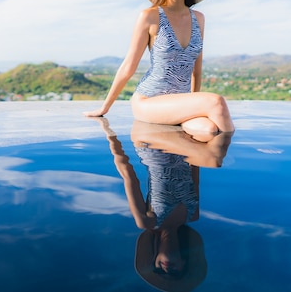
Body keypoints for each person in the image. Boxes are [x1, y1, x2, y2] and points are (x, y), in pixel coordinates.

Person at [84, 0, 235, 138]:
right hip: (149, 101)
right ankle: (245, 159)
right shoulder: (150, 16)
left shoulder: (199, 18)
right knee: (216, 102)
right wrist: (104, 107)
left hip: (179, 103)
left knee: (210, 130)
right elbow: (129, 65)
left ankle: (200, 163)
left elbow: (196, 67)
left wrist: (192, 103)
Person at [91, 117, 232, 291]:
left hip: (153, 143)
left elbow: (129, 177)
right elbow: (195, 171)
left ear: (155, 260)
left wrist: (110, 136)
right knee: (211, 134)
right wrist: (196, 144)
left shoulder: (147, 222)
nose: (167, 269)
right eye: (175, 273)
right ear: (183, 262)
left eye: (160, 270)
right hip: (184, 145)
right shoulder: (191, 215)